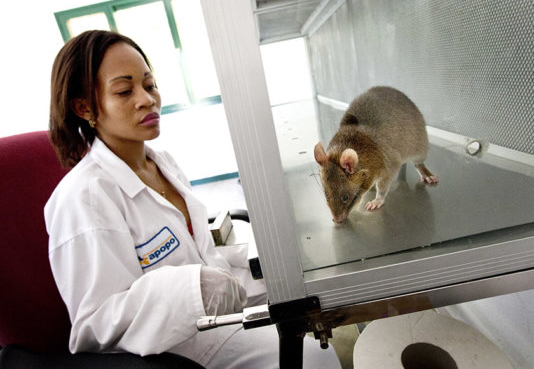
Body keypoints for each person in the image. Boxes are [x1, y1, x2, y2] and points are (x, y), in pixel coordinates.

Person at [46, 30, 340, 368]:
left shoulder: (163, 162)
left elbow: (200, 253)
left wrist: (265, 261)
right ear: (84, 107)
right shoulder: (84, 199)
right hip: (175, 353)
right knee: (312, 359)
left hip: (216, 320)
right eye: (125, 91)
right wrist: (189, 290)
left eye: (150, 84)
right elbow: (95, 326)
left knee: (311, 312)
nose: (147, 99)